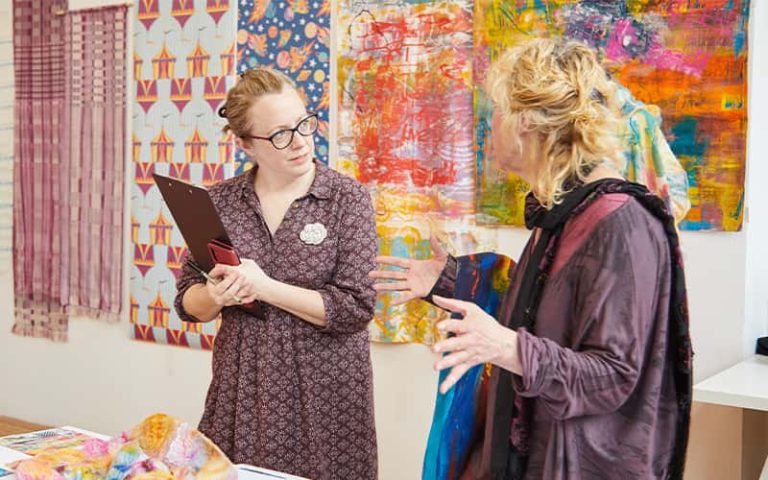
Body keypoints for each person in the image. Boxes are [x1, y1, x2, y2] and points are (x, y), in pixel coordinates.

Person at [371, 39, 692, 479]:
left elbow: (614, 375)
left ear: (527, 121)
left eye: (496, 112)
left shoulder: (620, 223)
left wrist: (505, 347)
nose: (490, 126)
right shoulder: (568, 210)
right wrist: (453, 279)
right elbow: (548, 308)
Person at [173, 68, 378, 479]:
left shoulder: (347, 199)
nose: (300, 141)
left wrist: (264, 287)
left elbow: (355, 308)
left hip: (327, 395)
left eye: (304, 124)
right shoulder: (219, 202)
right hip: (242, 390)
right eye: (280, 134)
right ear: (246, 143)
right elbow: (187, 303)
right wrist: (215, 296)